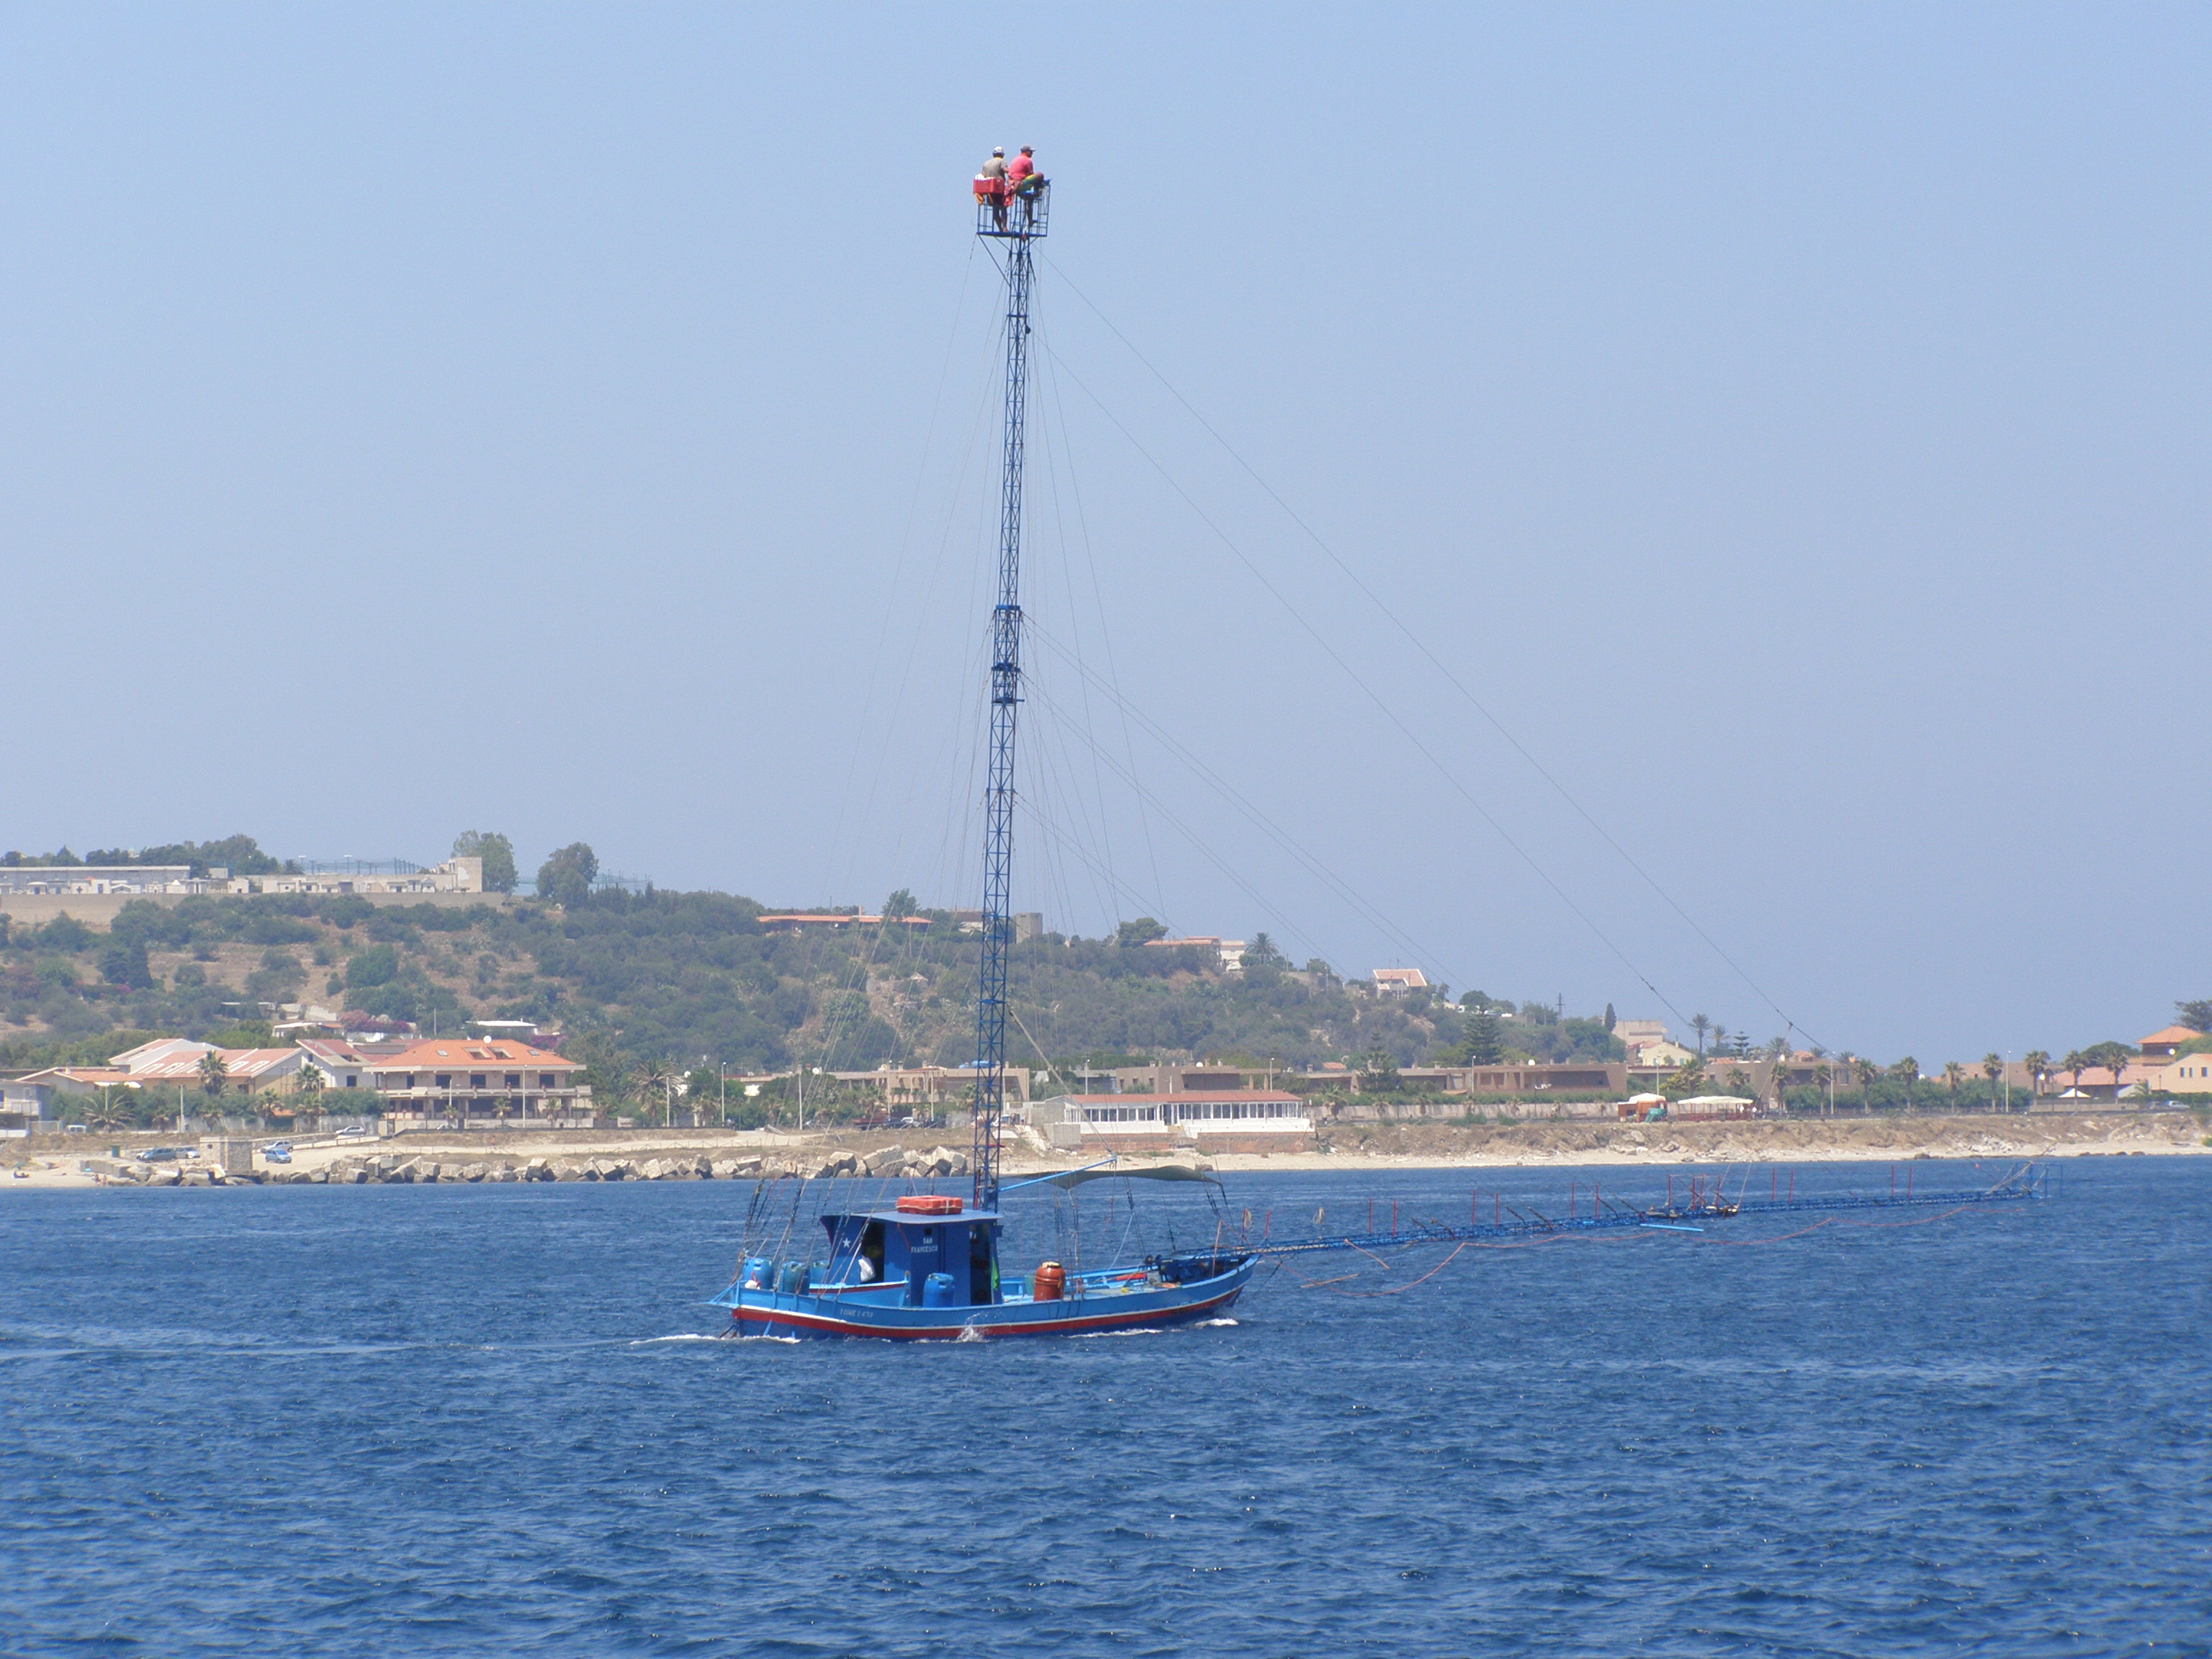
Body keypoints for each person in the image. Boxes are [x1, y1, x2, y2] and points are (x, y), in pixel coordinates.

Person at [976, 146, 1008, 229]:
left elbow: (983, 175)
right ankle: (1004, 227)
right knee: (1003, 208)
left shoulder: (985, 164)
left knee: (995, 209)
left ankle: (1000, 228)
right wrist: (1013, 173)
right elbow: (1005, 170)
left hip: (989, 190)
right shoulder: (1001, 161)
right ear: (1002, 155)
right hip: (999, 188)